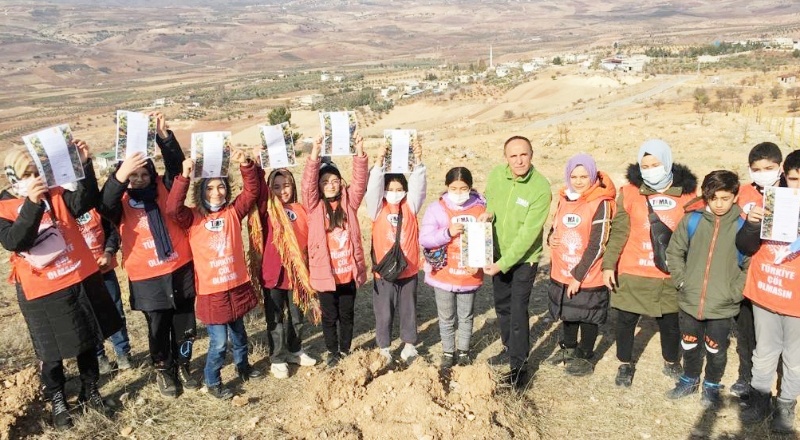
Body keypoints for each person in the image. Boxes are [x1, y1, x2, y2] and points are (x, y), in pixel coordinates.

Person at [0, 144, 122, 429]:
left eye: (37, 172)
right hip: (41, 291)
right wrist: (33, 203)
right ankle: (58, 399)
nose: (34, 179)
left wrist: (83, 165)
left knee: (88, 337)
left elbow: (84, 202)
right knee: (50, 349)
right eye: (27, 174)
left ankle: (91, 390)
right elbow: (14, 241)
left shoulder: (55, 192)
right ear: (13, 176)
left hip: (77, 277)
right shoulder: (4, 206)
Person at [99, 113, 199, 397]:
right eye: (134, 175)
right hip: (147, 276)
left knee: (184, 324)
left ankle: (184, 365)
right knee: (157, 325)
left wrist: (163, 136)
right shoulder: (118, 202)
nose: (140, 179)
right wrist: (122, 173)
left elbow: (176, 166)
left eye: (145, 174)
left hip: (180, 268)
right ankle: (163, 370)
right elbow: (104, 203)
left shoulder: (164, 188)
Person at [166, 149, 262, 399]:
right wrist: (184, 176)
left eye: (221, 187)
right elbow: (172, 209)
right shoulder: (192, 218)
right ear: (201, 192)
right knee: (219, 342)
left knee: (240, 335)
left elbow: (251, 192)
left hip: (236, 287)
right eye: (209, 188)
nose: (216, 192)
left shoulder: (233, 212)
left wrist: (246, 165)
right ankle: (213, 380)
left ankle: (243, 366)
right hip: (212, 293)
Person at [602, 139, 698, 388]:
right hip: (633, 269)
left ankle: (671, 361)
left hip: (668, 272)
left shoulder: (687, 195)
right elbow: (619, 231)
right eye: (645, 166)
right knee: (625, 320)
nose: (650, 170)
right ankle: (625, 363)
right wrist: (609, 265)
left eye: (655, 164)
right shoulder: (630, 192)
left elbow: (694, 234)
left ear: (667, 162)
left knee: (670, 322)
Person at [665, 170, 747, 408]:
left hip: (722, 304)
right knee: (689, 343)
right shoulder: (693, 220)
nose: (719, 204)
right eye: (713, 198)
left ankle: (711, 385)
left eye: (725, 198)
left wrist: (735, 292)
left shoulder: (742, 226)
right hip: (690, 299)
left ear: (735, 197)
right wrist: (682, 281)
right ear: (706, 197)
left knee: (716, 348)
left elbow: (749, 265)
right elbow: (674, 251)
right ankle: (689, 379)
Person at [737, 149, 800, 433]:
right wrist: (752, 224)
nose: (797, 185)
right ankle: (760, 399)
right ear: (785, 175)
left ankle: (785, 404)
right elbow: (745, 246)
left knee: (795, 358)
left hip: (796, 300)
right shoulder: (774, 201)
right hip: (766, 290)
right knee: (764, 351)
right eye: (794, 178)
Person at [482, 135, 552, 388]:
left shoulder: (540, 188)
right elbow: (489, 203)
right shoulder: (496, 176)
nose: (519, 160)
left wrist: (503, 264)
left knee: (518, 310)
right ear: (506, 158)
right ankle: (509, 348)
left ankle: (519, 368)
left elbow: (528, 235)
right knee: (502, 306)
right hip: (498, 253)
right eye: (513, 156)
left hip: (524, 259)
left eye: (524, 155)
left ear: (532, 155)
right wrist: (487, 214)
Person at [546, 154, 616, 377]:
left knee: (587, 315)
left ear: (592, 176)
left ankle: (585, 355)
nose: (578, 181)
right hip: (563, 269)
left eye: (584, 176)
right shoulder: (564, 198)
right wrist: (550, 237)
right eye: (574, 176)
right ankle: (568, 348)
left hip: (588, 272)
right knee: (568, 312)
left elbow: (598, 244)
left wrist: (578, 275)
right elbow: (556, 225)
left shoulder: (601, 202)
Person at [301, 134, 368, 368]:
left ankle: (345, 349)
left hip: (348, 273)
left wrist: (359, 151)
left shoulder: (350, 203)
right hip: (325, 276)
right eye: (325, 181)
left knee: (347, 315)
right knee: (330, 316)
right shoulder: (314, 207)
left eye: (335, 180)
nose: (330, 185)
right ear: (319, 186)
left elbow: (360, 181)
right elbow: (307, 185)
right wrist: (315, 153)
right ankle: (332, 351)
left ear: (341, 183)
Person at [250, 163, 318, 380]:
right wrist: (256, 166)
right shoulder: (267, 210)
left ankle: (295, 349)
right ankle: (278, 358)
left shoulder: (300, 209)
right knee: (275, 318)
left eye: (286, 185)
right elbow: (258, 189)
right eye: (276, 186)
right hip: (272, 275)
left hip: (297, 275)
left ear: (293, 186)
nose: (282, 191)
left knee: (297, 317)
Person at [730, 142, 784, 399]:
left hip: (778, 277)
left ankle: (781, 380)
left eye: (769, 168)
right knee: (746, 330)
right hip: (747, 274)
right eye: (757, 169)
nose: (763, 173)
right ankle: (745, 376)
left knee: (778, 334)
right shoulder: (741, 193)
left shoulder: (790, 193)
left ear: (780, 167)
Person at [420, 167, 486, 370]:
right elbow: (425, 238)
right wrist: (447, 233)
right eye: (454, 188)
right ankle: (448, 352)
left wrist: (479, 262)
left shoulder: (480, 209)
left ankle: (464, 351)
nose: (458, 193)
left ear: (470, 187)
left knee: (466, 316)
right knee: (446, 317)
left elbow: (488, 240)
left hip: (468, 275)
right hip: (443, 275)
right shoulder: (436, 209)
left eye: (463, 188)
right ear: (447, 187)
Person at [365, 141, 425, 365]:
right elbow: (373, 187)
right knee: (384, 311)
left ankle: (409, 345)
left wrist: (418, 160)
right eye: (390, 189)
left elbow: (419, 185)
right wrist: (379, 162)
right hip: (384, 270)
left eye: (400, 189)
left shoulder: (410, 206)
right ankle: (384, 347)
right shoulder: (377, 207)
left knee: (409, 309)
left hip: (408, 269)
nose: (395, 193)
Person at [75, 206, 133, 373]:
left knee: (115, 310)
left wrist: (108, 252)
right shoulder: (61, 210)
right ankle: (99, 357)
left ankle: (123, 353)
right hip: (80, 275)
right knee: (88, 316)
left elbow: (112, 232)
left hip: (104, 270)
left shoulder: (96, 205)